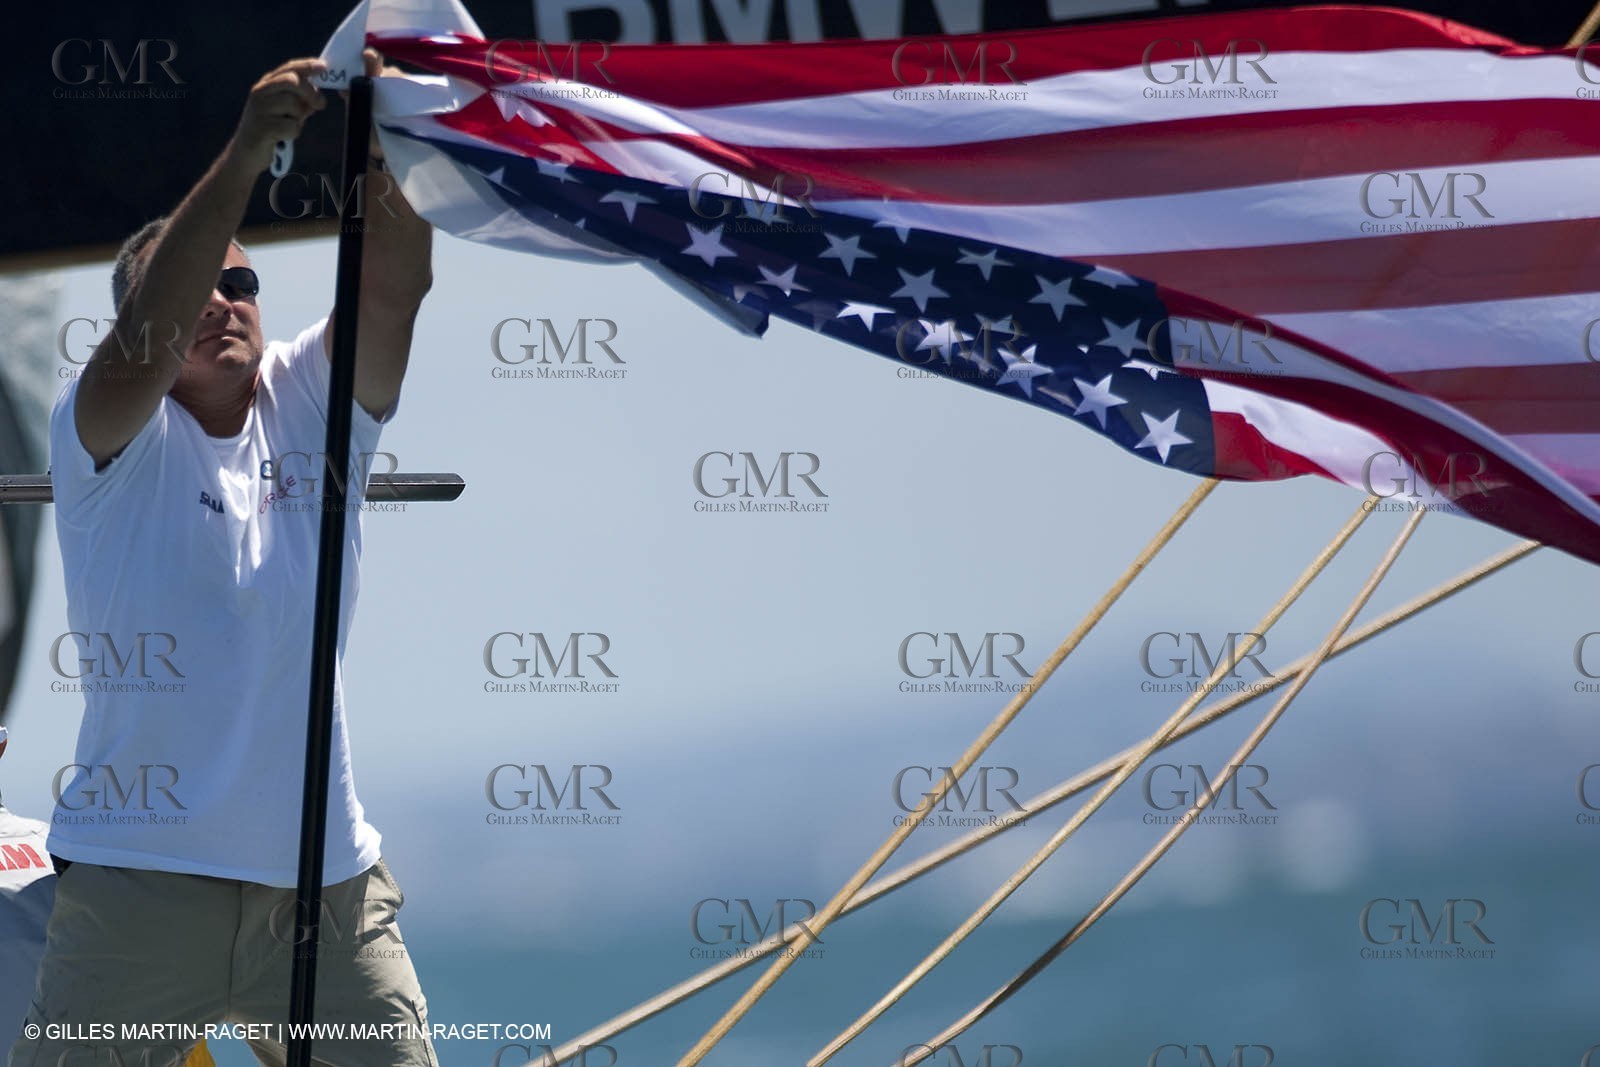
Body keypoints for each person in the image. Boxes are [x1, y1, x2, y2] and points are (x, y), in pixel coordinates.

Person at [8, 50, 436, 1067]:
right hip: (139, 885)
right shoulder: (108, 428)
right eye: (201, 282)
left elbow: (395, 288)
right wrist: (250, 150)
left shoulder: (309, 400)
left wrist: (394, 137)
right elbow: (150, 328)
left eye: (239, 282)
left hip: (323, 889)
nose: (221, 299)